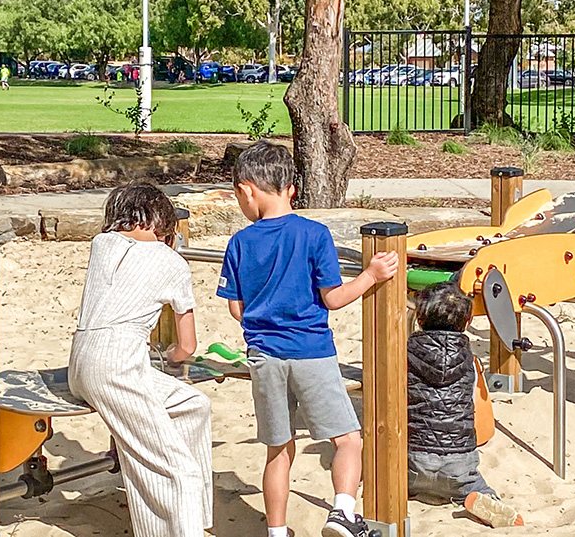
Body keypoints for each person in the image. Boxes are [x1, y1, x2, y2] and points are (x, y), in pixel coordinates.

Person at [217, 141, 400, 537]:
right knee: (348, 439)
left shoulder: (240, 243)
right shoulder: (315, 234)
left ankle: (277, 531)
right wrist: (371, 275)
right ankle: (343, 512)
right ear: (292, 190)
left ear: (247, 190)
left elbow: (236, 309)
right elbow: (333, 298)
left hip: (264, 356)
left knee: (278, 449)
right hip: (311, 351)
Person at [68, 185, 213, 537]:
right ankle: (180, 526)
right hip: (117, 365)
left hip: (81, 361)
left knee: (194, 404)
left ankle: (190, 517)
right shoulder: (171, 262)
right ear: (163, 224)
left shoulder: (101, 245)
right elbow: (187, 346)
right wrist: (169, 357)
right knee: (178, 470)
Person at [407, 282, 523, 528]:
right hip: (460, 464)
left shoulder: (406, 352)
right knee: (477, 487)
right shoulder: (469, 360)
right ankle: (480, 498)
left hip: (413, 461)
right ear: (468, 322)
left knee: (399, 475)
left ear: (418, 319)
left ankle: (408, 488)